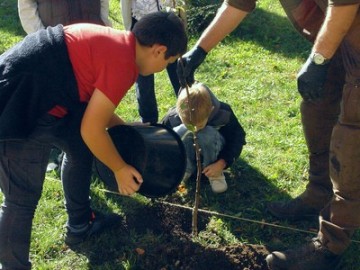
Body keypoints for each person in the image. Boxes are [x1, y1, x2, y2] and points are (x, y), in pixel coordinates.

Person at [176, 0, 360, 269]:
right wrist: (200, 50)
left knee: (352, 139)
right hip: (337, 45)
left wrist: (319, 59)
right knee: (316, 108)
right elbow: (238, 3)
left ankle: (331, 243)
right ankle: (319, 193)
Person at [0, 11, 187, 269]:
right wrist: (120, 169)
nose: (163, 68)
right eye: (169, 62)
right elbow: (92, 129)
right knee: (21, 197)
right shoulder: (123, 63)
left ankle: (79, 225)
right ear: (158, 50)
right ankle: (12, 266)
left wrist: (125, 129)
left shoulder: (121, 46)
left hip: (53, 98)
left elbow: (96, 108)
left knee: (80, 148)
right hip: (18, 102)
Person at [18, 0, 113, 173]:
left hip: (91, 38)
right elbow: (26, 5)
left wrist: (104, 25)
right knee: (58, 102)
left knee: (90, 99)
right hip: (55, 44)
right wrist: (43, 38)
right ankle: (59, 152)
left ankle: (90, 153)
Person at [162, 82, 246, 193]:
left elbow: (237, 139)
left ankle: (214, 174)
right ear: (179, 113)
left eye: (200, 125)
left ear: (210, 111)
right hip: (187, 154)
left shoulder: (224, 114)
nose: (195, 129)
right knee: (179, 132)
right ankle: (184, 170)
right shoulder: (172, 117)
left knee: (206, 133)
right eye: (189, 125)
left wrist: (222, 162)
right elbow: (161, 142)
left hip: (214, 154)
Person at [121, 0, 185, 124]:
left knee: (177, 69)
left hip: (169, 22)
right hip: (143, 24)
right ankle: (149, 121)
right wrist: (129, 27)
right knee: (144, 78)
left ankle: (189, 110)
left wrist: (180, 18)